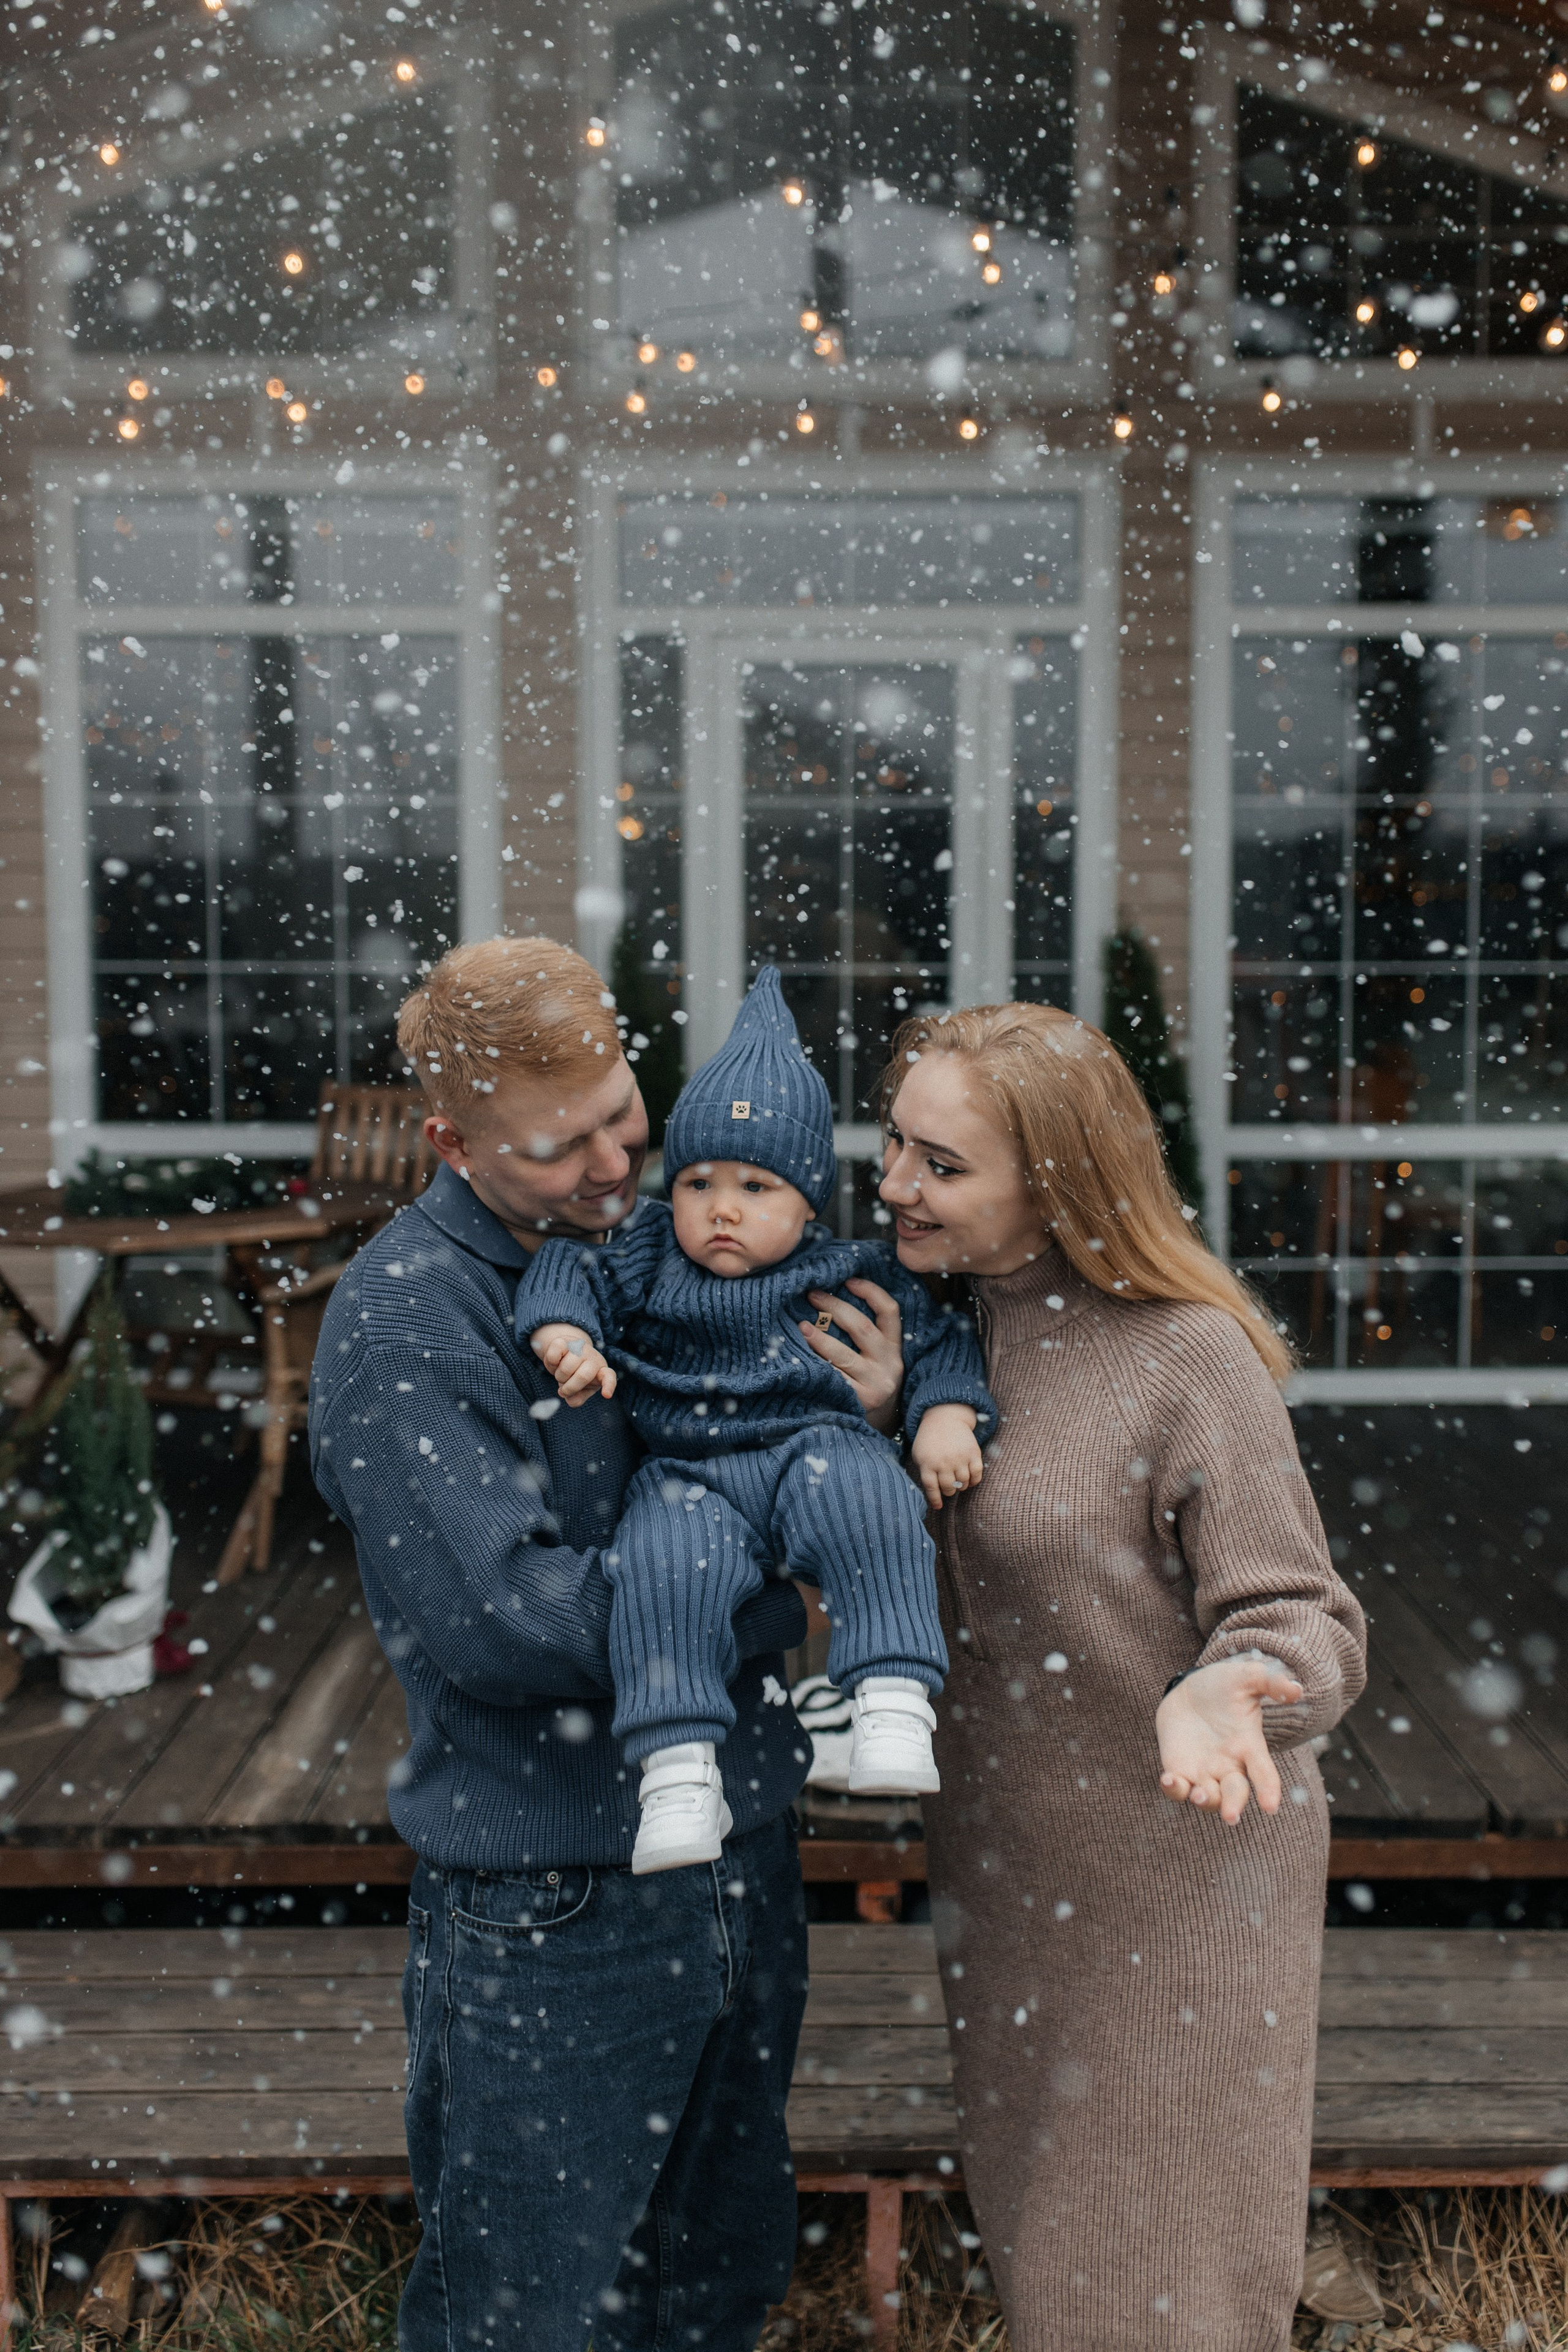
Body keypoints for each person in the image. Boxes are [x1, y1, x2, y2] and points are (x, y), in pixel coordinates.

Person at [307, 935, 909, 2352]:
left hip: (742, 1849)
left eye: (621, 1117)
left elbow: (748, 1443)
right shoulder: (407, 1320)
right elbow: (509, 1624)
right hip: (555, 1895)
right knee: (523, 2317)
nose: (608, 1165)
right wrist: (782, 1602)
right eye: (556, 1146)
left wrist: (855, 1447)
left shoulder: (641, 1251)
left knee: (713, 2285)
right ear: (449, 1142)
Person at [876, 1000, 1368, 2352]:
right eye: (894, 1144)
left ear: (1060, 1183)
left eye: (941, 1164)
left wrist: (1239, 1681)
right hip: (1008, 1871)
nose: (893, 1185)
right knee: (1052, 2268)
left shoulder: (1181, 1356)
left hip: (1183, 1874)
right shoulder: (933, 1336)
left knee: (1162, 2284)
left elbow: (1303, 1615)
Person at [516, 965, 994, 1872]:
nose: (722, 1208)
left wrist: (944, 1419)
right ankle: (677, 1774)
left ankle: (892, 1698)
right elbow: (567, 1270)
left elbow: (943, 1345)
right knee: (659, 1571)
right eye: (698, 1181)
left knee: (871, 1503)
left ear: (809, 1203)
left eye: (756, 1187)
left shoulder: (850, 1268)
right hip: (689, 1471)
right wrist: (564, 1332)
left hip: (813, 1445)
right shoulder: (648, 1249)